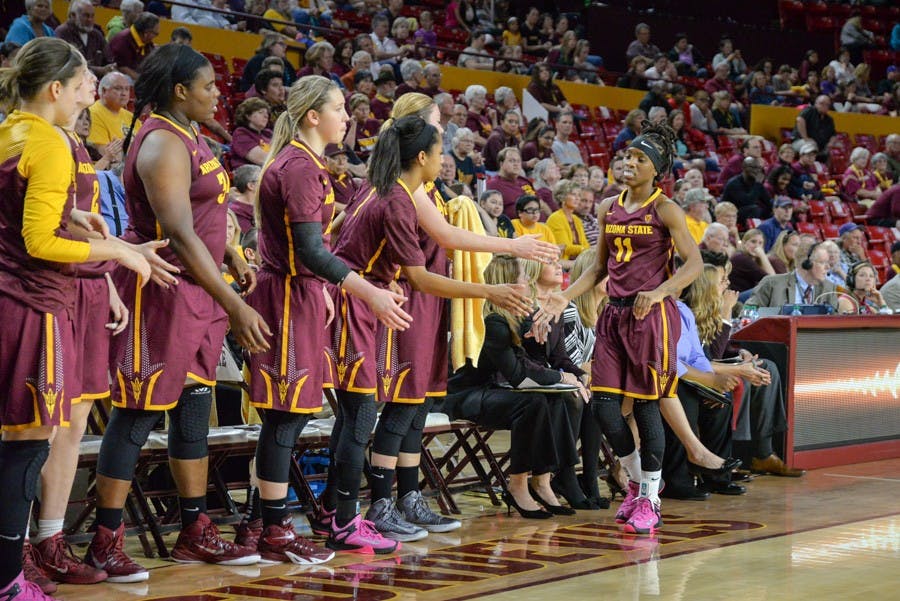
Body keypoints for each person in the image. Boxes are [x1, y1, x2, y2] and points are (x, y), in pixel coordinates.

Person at [84, 43, 270, 582]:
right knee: (138, 414)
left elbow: (207, 213)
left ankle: (194, 531)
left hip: (199, 293)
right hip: (161, 289)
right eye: (209, 85)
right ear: (180, 91)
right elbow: (180, 235)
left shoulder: (193, 135)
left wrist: (233, 251)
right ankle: (105, 540)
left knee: (193, 411)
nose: (219, 93)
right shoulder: (163, 142)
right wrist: (233, 301)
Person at [322, 115, 535, 546]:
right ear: (421, 157)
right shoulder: (398, 199)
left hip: (367, 299)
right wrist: (488, 289)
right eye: (440, 153)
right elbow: (419, 277)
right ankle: (346, 520)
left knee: (356, 418)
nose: (444, 160)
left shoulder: (379, 186)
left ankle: (339, 515)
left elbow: (343, 231)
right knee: (360, 417)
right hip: (363, 303)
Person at [0, 37, 152, 600]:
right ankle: (11, 574)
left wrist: (80, 217)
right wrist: (119, 252)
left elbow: (25, 213)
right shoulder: (49, 141)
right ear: (57, 88)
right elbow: (39, 239)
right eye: (86, 79)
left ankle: (29, 554)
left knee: (30, 435)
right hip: (36, 298)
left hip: (27, 293)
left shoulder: (14, 129)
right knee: (26, 441)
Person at [537, 120, 737, 535]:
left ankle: (650, 498)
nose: (629, 162)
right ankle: (637, 482)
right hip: (613, 315)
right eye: (626, 155)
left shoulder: (666, 209)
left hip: (652, 319)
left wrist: (662, 291)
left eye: (639, 159)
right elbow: (596, 267)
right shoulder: (608, 206)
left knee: (647, 407)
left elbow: (695, 265)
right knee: (605, 408)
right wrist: (563, 295)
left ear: (656, 170)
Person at [242, 75, 411, 564]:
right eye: (339, 108)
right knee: (284, 417)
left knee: (285, 417)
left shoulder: (303, 163)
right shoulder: (298, 167)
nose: (347, 116)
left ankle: (263, 523)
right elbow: (314, 252)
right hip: (289, 296)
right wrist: (368, 291)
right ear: (313, 116)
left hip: (300, 294)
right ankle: (274, 529)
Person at [442, 255, 580, 519]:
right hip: (465, 394)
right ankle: (517, 484)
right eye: (521, 278)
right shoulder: (492, 321)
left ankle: (544, 480)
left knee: (554, 401)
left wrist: (535, 324)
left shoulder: (512, 317)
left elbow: (535, 358)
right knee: (532, 403)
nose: (526, 282)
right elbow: (517, 375)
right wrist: (561, 378)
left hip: (492, 390)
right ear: (507, 284)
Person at [747, 242, 840, 311]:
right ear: (806, 264)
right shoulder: (772, 284)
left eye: (827, 262)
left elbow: (835, 322)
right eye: (822, 262)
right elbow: (748, 312)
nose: (828, 267)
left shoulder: (829, 288)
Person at [55, 0, 116, 77]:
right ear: (73, 15)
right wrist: (98, 70)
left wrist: (111, 67)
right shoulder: (62, 32)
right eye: (86, 15)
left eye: (92, 16)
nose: (90, 20)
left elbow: (109, 59)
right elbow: (66, 64)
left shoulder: (96, 34)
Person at [485, 147, 537, 219]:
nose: (516, 164)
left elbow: (540, 203)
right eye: (512, 161)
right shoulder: (493, 185)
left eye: (518, 161)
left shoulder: (525, 181)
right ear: (501, 164)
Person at [107, 12, 160, 80]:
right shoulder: (123, 41)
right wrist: (144, 82)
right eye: (156, 34)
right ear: (146, 33)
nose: (155, 37)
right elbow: (122, 67)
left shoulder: (145, 42)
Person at [546, 180, 589, 262]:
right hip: (562, 262)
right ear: (562, 197)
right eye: (573, 194)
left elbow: (585, 243)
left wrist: (587, 249)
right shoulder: (555, 218)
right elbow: (566, 248)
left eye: (579, 195)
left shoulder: (576, 219)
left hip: (579, 260)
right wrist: (587, 249)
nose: (577, 198)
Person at [722, 157, 771, 224]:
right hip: (730, 214)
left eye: (757, 168)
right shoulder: (734, 183)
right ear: (743, 168)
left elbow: (768, 201)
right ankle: (753, 230)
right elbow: (747, 202)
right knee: (753, 209)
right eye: (752, 167)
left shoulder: (755, 182)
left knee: (774, 208)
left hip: (746, 212)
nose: (755, 170)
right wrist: (758, 184)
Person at [729, 229, 776, 293]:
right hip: (736, 297)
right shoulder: (742, 258)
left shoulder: (752, 259)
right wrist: (763, 255)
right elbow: (772, 279)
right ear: (744, 243)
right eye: (753, 242)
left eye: (760, 243)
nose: (757, 246)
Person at [230, 97, 271, 168]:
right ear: (248, 116)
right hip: (250, 175)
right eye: (260, 112)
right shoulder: (241, 134)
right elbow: (263, 159)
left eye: (267, 113)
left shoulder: (267, 133)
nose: (266, 116)